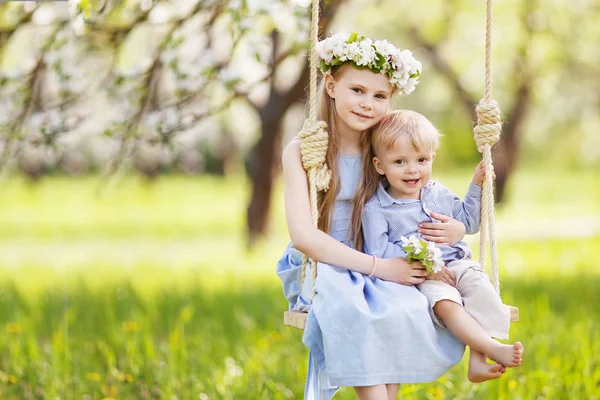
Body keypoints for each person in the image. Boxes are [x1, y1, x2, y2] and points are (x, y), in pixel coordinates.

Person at [276, 33, 474, 400]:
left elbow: (418, 197)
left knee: (404, 308)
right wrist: (380, 269)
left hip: (382, 252)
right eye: (357, 90)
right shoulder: (304, 151)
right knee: (355, 311)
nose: (368, 104)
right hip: (324, 263)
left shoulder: (383, 148)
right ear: (332, 86)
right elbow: (304, 236)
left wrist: (456, 227)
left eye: (379, 96)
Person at [353, 109, 524, 384]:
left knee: (482, 290)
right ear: (379, 165)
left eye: (421, 159)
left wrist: (476, 185)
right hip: (423, 276)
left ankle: (478, 361)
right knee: (446, 303)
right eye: (399, 161)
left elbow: (468, 221)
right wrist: (426, 266)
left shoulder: (439, 193)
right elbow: (379, 250)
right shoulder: (377, 209)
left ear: (432, 158)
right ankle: (491, 348)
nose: (412, 169)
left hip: (459, 264)